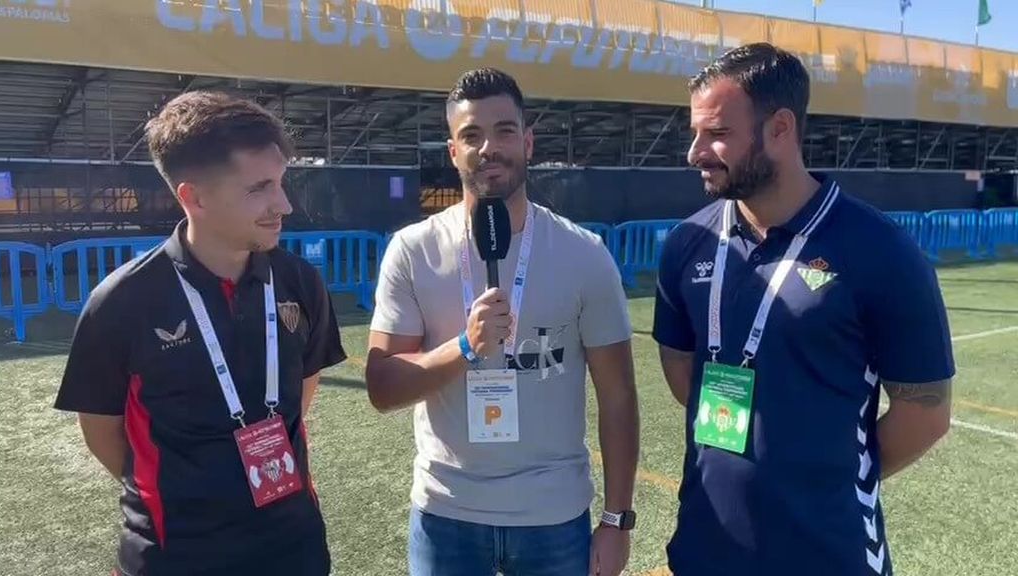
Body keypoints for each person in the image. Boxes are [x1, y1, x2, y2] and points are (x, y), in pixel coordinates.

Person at [653, 43, 954, 576]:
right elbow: (684, 373)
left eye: (717, 133)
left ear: (780, 128)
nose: (695, 152)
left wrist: (823, 476)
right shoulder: (686, 243)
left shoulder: (881, 251)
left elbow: (925, 414)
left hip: (827, 553)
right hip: (704, 548)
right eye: (695, 132)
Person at [53, 91, 347, 576]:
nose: (284, 204)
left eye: (280, 183)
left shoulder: (299, 281)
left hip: (294, 547)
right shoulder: (122, 301)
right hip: (176, 555)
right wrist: (183, 487)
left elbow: (301, 393)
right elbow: (102, 432)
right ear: (193, 196)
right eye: (259, 189)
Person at [365, 67, 640, 576]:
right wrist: (464, 347)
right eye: (471, 135)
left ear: (529, 142)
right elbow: (383, 387)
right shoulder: (412, 250)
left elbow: (618, 395)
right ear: (453, 151)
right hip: (446, 512)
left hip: (553, 516)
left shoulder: (585, 253)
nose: (489, 147)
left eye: (504, 131)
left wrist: (616, 520)